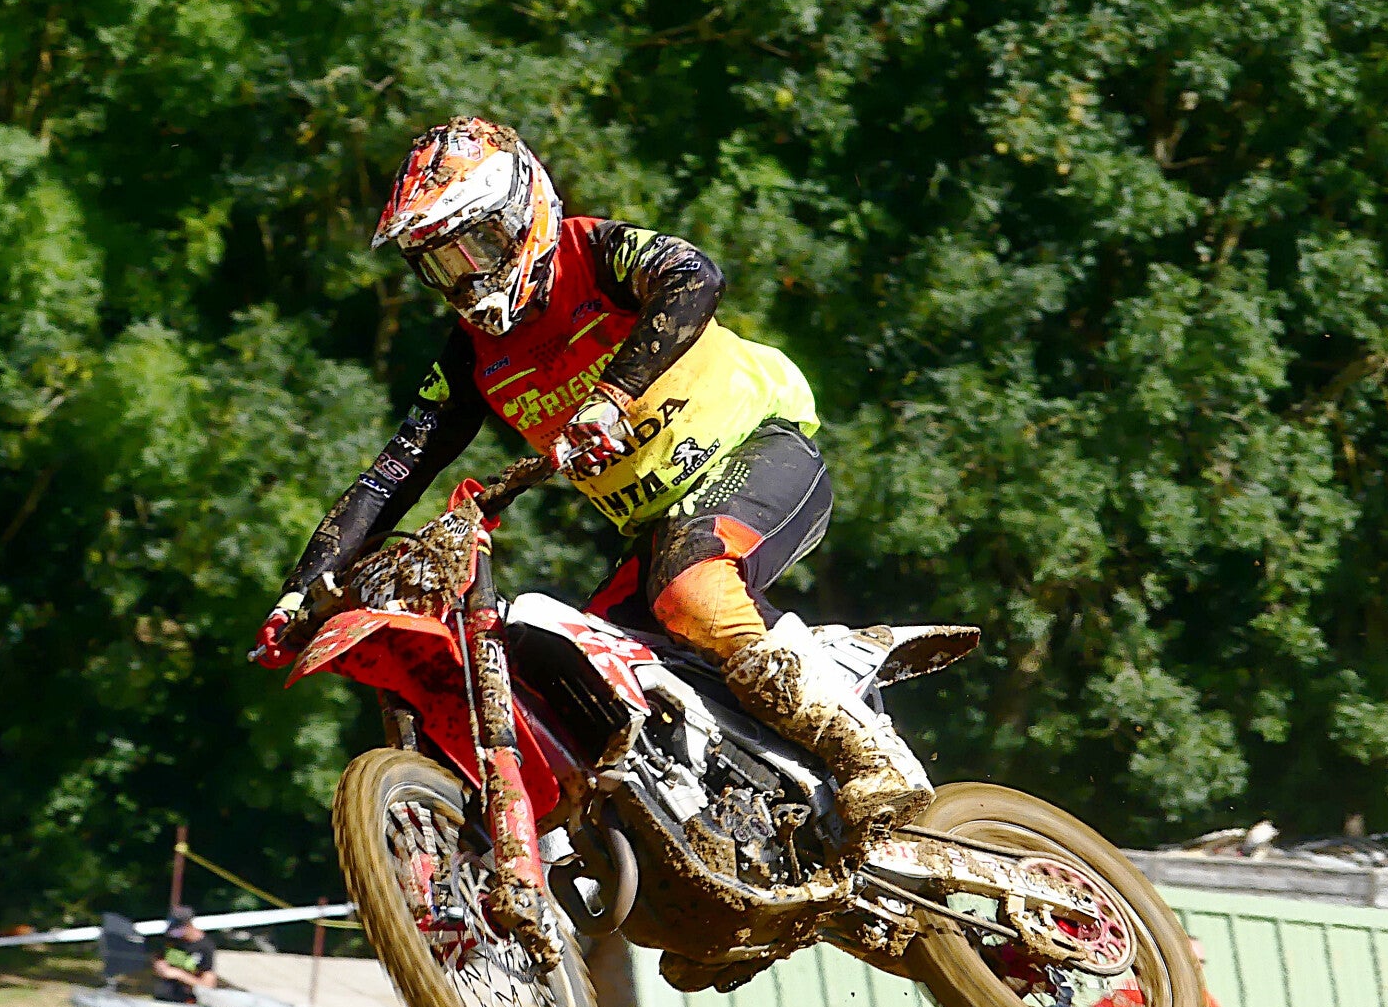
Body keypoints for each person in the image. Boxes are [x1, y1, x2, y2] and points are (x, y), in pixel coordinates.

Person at [248, 117, 930, 833]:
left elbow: (695, 276)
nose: (468, 277)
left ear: (524, 213)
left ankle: (869, 756)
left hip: (760, 449)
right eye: (442, 264)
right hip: (657, 527)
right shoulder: (471, 355)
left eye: (479, 245)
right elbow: (395, 472)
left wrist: (612, 396)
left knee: (691, 588)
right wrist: (301, 593)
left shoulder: (595, 252)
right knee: (585, 681)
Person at [1084, 937, 1229, 1007]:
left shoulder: (1205, 1000)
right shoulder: (1135, 989)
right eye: (1191, 960)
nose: (1196, 967)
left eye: (1200, 962)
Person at [152, 905, 218, 1004]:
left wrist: (180, 975)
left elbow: (208, 984)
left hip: (187, 1002)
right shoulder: (170, 939)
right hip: (161, 998)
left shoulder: (205, 947)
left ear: (188, 925)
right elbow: (158, 957)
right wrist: (159, 965)